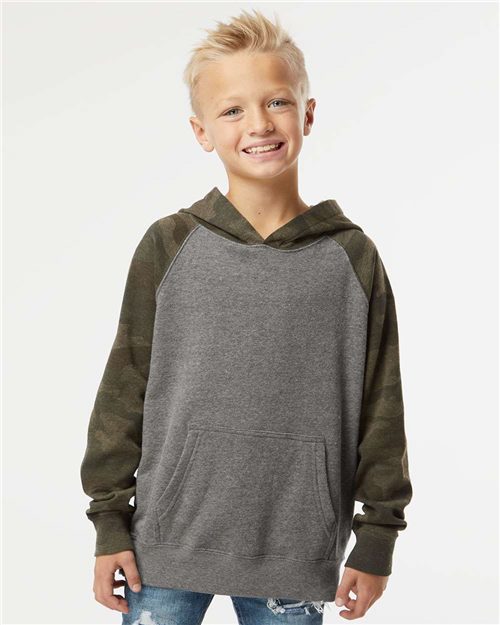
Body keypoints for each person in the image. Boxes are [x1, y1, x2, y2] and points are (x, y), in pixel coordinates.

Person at [80, 8, 413, 624]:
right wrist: (109, 522)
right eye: (232, 110)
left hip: (295, 549)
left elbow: (381, 406)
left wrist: (378, 536)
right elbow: (124, 389)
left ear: (307, 113)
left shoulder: (352, 257)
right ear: (202, 131)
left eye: (277, 102)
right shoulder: (169, 245)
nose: (258, 123)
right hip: (164, 546)